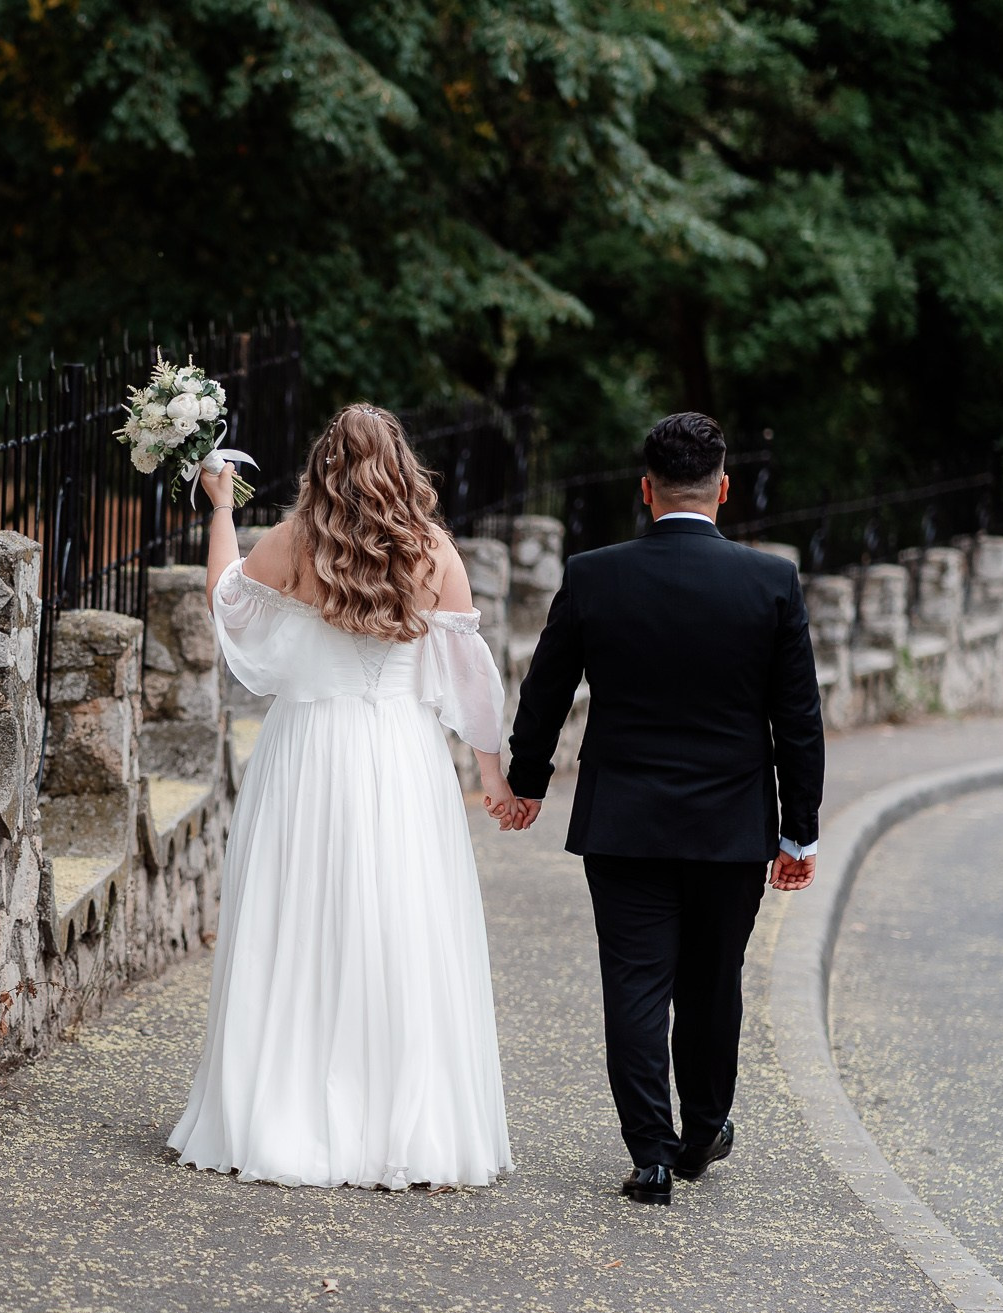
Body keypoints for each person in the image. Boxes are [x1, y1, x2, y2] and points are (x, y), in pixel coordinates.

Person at [167, 404, 518, 1190]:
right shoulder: (434, 553)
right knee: (399, 925)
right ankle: (400, 1124)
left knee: (299, 921)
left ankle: (283, 1110)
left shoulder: (294, 543)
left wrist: (220, 507)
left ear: (323, 464)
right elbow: (471, 684)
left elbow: (224, 599)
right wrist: (493, 779)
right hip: (402, 760)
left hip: (308, 753)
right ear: (402, 467)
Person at [502, 411, 825, 1206]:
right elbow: (799, 718)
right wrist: (800, 830)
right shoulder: (770, 581)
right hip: (731, 828)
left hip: (625, 821)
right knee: (713, 980)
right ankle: (703, 1130)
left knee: (637, 983)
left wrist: (529, 781)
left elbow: (545, 690)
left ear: (646, 490)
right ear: (725, 489)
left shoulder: (594, 574)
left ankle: (649, 1154)